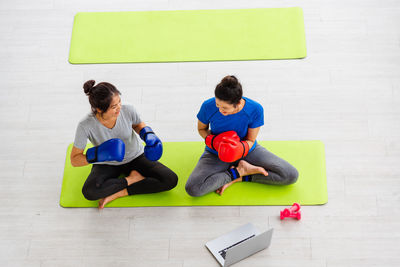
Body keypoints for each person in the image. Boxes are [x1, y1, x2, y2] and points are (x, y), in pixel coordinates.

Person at [185, 75, 298, 197]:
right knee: (193, 188)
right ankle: (238, 171)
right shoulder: (208, 106)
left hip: (247, 150)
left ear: (238, 103)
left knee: (290, 175)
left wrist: (239, 149)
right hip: (216, 152)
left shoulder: (255, 109)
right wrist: (214, 142)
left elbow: (250, 140)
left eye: (225, 108)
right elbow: (202, 129)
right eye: (217, 104)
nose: (219, 109)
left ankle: (240, 176)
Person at [71, 80, 178, 208]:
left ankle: (120, 192)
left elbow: (138, 124)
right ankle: (132, 179)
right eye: (113, 107)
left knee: (170, 179)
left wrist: (148, 135)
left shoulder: (128, 109)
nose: (119, 108)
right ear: (99, 109)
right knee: (89, 192)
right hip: (107, 163)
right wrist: (99, 155)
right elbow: (75, 159)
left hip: (135, 157)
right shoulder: (85, 125)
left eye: (119, 102)